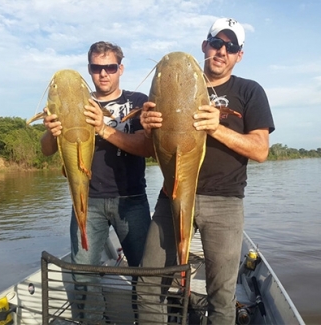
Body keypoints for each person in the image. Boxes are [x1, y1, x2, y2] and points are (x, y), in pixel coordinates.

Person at [136, 18, 274, 324]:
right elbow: (151, 149)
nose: (222, 50)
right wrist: (147, 129)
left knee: (222, 295)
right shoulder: (174, 80)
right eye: (216, 43)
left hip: (225, 202)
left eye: (231, 46)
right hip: (170, 194)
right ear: (204, 46)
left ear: (240, 55)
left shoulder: (249, 91)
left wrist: (217, 128)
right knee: (147, 283)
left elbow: (261, 150)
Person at [39, 41, 153, 321]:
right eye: (96, 67)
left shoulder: (138, 101)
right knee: (83, 270)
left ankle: (145, 319)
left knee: (144, 270)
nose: (103, 73)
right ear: (89, 70)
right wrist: (52, 132)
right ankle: (93, 319)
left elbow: (147, 148)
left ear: (120, 69)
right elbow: (46, 150)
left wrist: (103, 128)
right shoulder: (75, 100)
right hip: (88, 201)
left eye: (110, 67)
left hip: (132, 200)